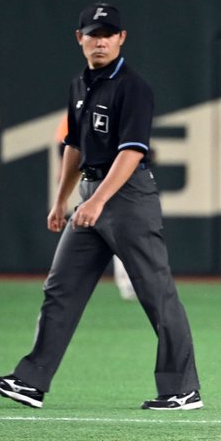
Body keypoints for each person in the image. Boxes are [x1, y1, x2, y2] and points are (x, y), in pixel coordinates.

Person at [0, 2, 202, 410]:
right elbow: (74, 146)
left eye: (108, 34)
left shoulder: (133, 87)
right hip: (90, 195)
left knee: (155, 292)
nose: (100, 41)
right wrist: (61, 200)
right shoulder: (80, 85)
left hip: (128, 197)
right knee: (60, 288)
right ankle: (31, 381)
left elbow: (132, 151)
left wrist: (99, 201)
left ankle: (182, 388)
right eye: (93, 34)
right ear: (79, 38)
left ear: (121, 38)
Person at [56, 113, 137, 301]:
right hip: (94, 178)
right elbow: (65, 144)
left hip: (108, 178)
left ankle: (128, 281)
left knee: (119, 230)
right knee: (117, 230)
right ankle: (127, 281)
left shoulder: (114, 109)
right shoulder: (80, 109)